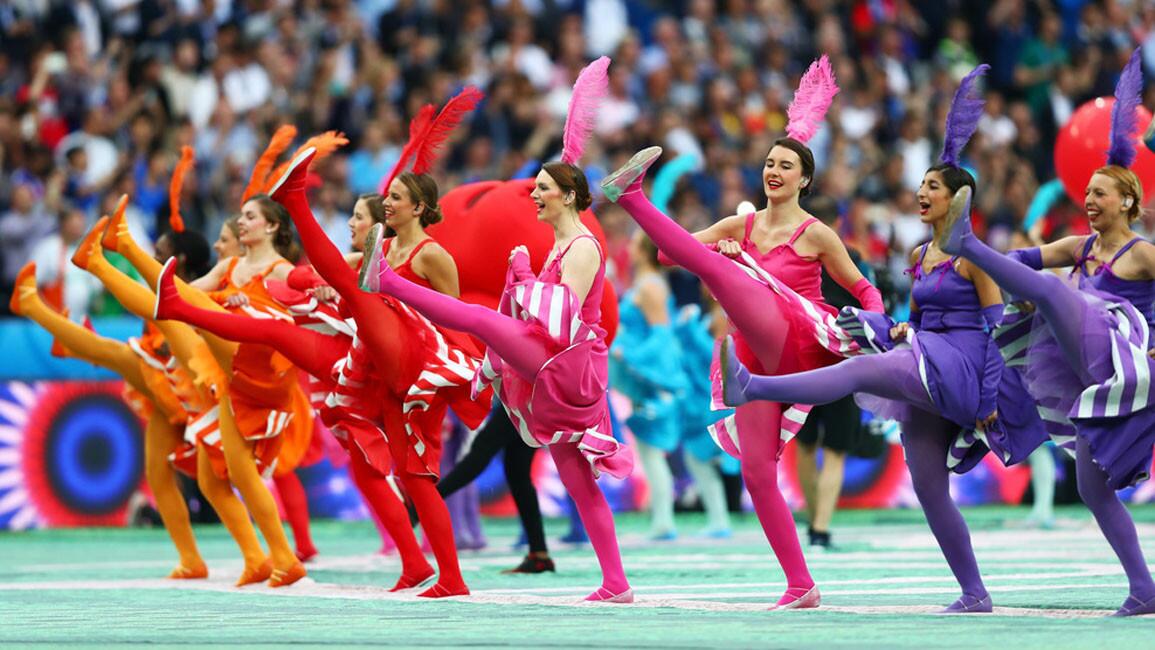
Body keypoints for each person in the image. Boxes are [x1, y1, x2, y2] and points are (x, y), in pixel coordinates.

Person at [602, 56, 884, 609]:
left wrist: (872, 322)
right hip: (752, 360)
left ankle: (632, 196)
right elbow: (665, 254)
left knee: (726, 274)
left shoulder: (817, 233)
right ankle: (802, 585)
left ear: (804, 179)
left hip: (796, 341)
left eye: (785, 166)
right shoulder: (742, 225)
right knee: (756, 474)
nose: (773, 172)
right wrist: (718, 244)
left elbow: (864, 288)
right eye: (769, 164)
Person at [936, 49, 1155, 617]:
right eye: (1084, 193)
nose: (1086, 200)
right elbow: (1021, 260)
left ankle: (967, 242)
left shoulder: (1143, 254)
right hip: (1087, 374)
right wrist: (962, 270)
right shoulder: (1077, 246)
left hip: (1126, 361)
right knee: (1090, 488)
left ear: (1128, 200)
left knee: (1057, 292)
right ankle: (1146, 589)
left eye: (1099, 193)